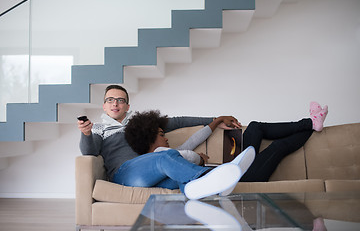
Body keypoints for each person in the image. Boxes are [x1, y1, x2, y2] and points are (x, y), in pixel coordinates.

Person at [78, 84, 252, 199]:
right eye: (110, 100)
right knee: (165, 156)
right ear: (104, 105)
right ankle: (218, 174)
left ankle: (218, 187)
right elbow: (89, 152)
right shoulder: (99, 128)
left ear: (127, 106)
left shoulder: (139, 122)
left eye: (120, 100)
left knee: (180, 178)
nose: (115, 103)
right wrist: (86, 134)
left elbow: (178, 121)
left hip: (149, 173)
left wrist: (215, 119)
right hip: (124, 174)